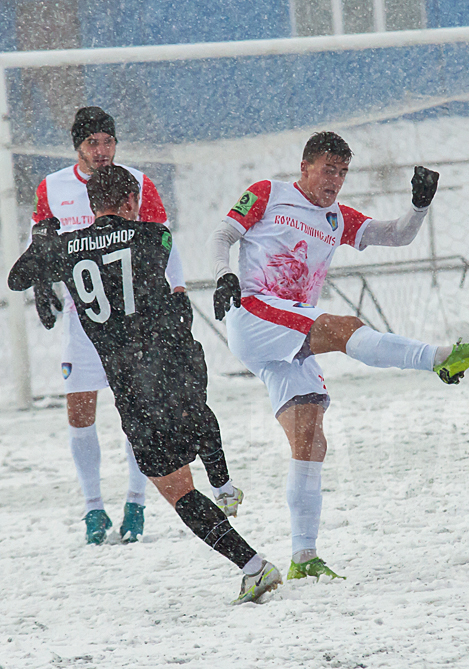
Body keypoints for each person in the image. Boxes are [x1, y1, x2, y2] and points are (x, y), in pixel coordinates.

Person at [210, 131, 469, 581]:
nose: (336, 181)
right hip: (256, 313)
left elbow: (398, 235)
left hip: (288, 335)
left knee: (310, 441)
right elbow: (223, 234)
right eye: (329, 170)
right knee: (344, 327)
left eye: (343, 173)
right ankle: (441, 357)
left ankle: (303, 557)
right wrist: (222, 277)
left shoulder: (338, 218)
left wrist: (420, 206)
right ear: (305, 166)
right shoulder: (269, 194)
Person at [9, 165, 281, 603]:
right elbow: (155, 258)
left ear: (90, 206)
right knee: (198, 415)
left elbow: (15, 280)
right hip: (168, 364)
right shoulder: (154, 237)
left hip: (131, 387)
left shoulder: (65, 248)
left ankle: (252, 564)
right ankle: (225, 485)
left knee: (175, 490)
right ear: (131, 202)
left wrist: (44, 246)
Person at [29, 107, 242, 546]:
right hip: (84, 319)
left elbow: (162, 238)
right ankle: (92, 508)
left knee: (141, 407)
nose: (102, 150)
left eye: (108, 141)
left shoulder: (138, 182)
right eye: (93, 143)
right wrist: (41, 287)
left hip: (138, 323)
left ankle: (135, 502)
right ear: (78, 148)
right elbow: (41, 243)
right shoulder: (51, 187)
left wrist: (178, 291)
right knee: (80, 411)